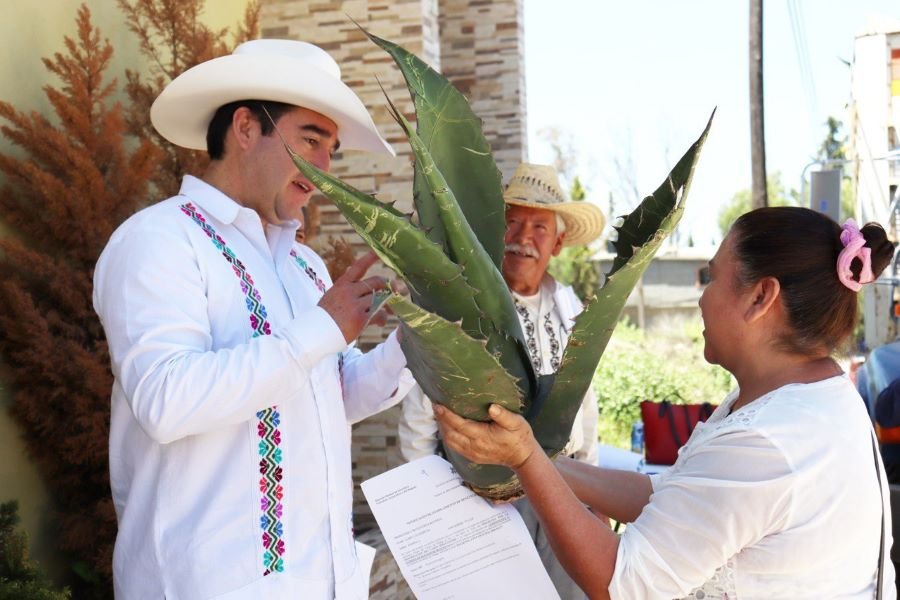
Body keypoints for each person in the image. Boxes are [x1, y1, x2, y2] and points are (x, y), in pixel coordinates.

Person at [435, 207, 897, 599]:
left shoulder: (767, 441)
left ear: (760, 297)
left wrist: (526, 458)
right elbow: (677, 498)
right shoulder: (809, 396)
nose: (701, 298)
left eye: (711, 278)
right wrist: (534, 463)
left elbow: (622, 581)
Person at [93, 39, 413, 599]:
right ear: (245, 127)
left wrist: (422, 337)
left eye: (332, 149)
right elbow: (166, 401)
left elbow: (333, 395)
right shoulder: (158, 241)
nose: (324, 170)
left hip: (322, 582)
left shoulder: (305, 266)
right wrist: (320, 330)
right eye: (311, 140)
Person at [399, 163, 606, 599]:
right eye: (512, 221)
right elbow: (422, 409)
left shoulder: (571, 309)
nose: (522, 237)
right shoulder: (463, 305)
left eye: (538, 226)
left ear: (559, 240)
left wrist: (593, 497)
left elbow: (584, 403)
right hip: (478, 499)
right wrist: (429, 504)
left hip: (562, 492)